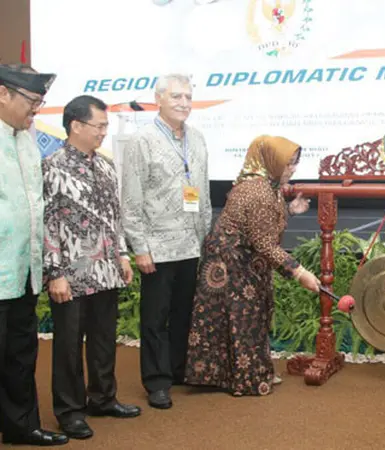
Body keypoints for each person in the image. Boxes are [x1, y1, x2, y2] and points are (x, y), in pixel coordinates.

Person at [184, 135, 320, 396]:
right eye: (288, 163)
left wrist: (290, 210)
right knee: (243, 316)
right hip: (230, 262)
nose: (293, 169)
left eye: (295, 163)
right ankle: (245, 378)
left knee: (255, 312)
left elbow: (261, 225)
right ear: (271, 161)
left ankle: (250, 371)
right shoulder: (256, 190)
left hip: (246, 258)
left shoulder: (267, 184)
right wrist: (299, 272)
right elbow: (264, 243)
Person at [42, 95, 142, 440]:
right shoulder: (53, 166)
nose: (104, 132)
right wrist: (54, 273)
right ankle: (69, 411)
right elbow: (47, 222)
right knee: (69, 346)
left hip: (106, 270)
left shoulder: (105, 166)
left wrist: (123, 255)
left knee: (103, 340)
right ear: (76, 125)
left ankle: (102, 398)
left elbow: (114, 217)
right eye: (99, 125)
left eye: (105, 126)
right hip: (70, 274)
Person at [120, 73, 212, 409]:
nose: (184, 103)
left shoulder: (198, 139)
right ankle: (156, 381)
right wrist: (139, 248)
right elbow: (131, 198)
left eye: (188, 97)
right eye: (176, 97)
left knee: (183, 313)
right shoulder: (142, 141)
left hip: (190, 244)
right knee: (155, 319)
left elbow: (200, 191)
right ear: (159, 99)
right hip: (156, 247)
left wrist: (205, 238)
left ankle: (176, 370)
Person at [0, 63, 69, 446]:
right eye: (31, 101)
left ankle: (21, 426)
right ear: (3, 94)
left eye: (41, 103)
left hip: (23, 272)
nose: (36, 111)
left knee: (21, 355)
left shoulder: (26, 138)